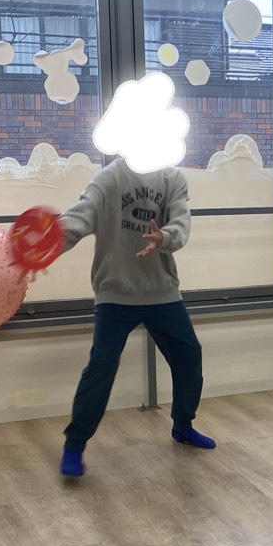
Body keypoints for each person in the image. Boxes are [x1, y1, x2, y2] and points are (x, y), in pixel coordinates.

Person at [57, 157, 214, 478]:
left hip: (161, 292)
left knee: (189, 356)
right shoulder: (109, 178)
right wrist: (42, 246)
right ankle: (74, 445)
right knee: (101, 367)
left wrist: (164, 237)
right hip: (115, 293)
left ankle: (183, 426)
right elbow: (79, 217)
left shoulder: (171, 178)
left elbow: (181, 224)